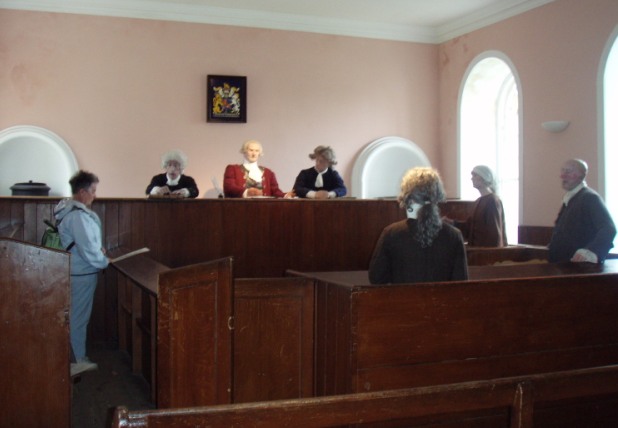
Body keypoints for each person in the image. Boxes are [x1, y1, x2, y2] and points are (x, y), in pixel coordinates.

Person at [369, 167, 468, 284]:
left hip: (402, 296)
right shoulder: (454, 235)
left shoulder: (391, 233)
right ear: (437, 195)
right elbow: (461, 281)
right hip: (440, 296)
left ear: (407, 196)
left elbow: (376, 277)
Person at [54, 170, 110, 377]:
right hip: (82, 273)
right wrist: (103, 261)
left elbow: (85, 244)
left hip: (76, 270)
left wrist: (98, 250)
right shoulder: (78, 216)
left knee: (75, 316)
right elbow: (87, 249)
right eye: (93, 191)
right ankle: (76, 360)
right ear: (82, 192)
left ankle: (74, 357)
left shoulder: (69, 212)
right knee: (78, 317)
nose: (95, 195)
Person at [548, 159, 616, 263]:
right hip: (564, 266)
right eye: (563, 171)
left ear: (581, 175)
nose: (562, 176)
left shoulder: (590, 198)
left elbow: (608, 229)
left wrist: (590, 251)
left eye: (568, 171)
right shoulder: (571, 198)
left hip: (579, 268)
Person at [447, 165, 507, 247]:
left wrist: (492, 252)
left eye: (475, 175)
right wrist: (452, 223)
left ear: (484, 177)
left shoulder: (492, 201)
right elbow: (469, 228)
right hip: (476, 250)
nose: (472, 178)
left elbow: (494, 233)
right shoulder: (478, 201)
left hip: (486, 252)